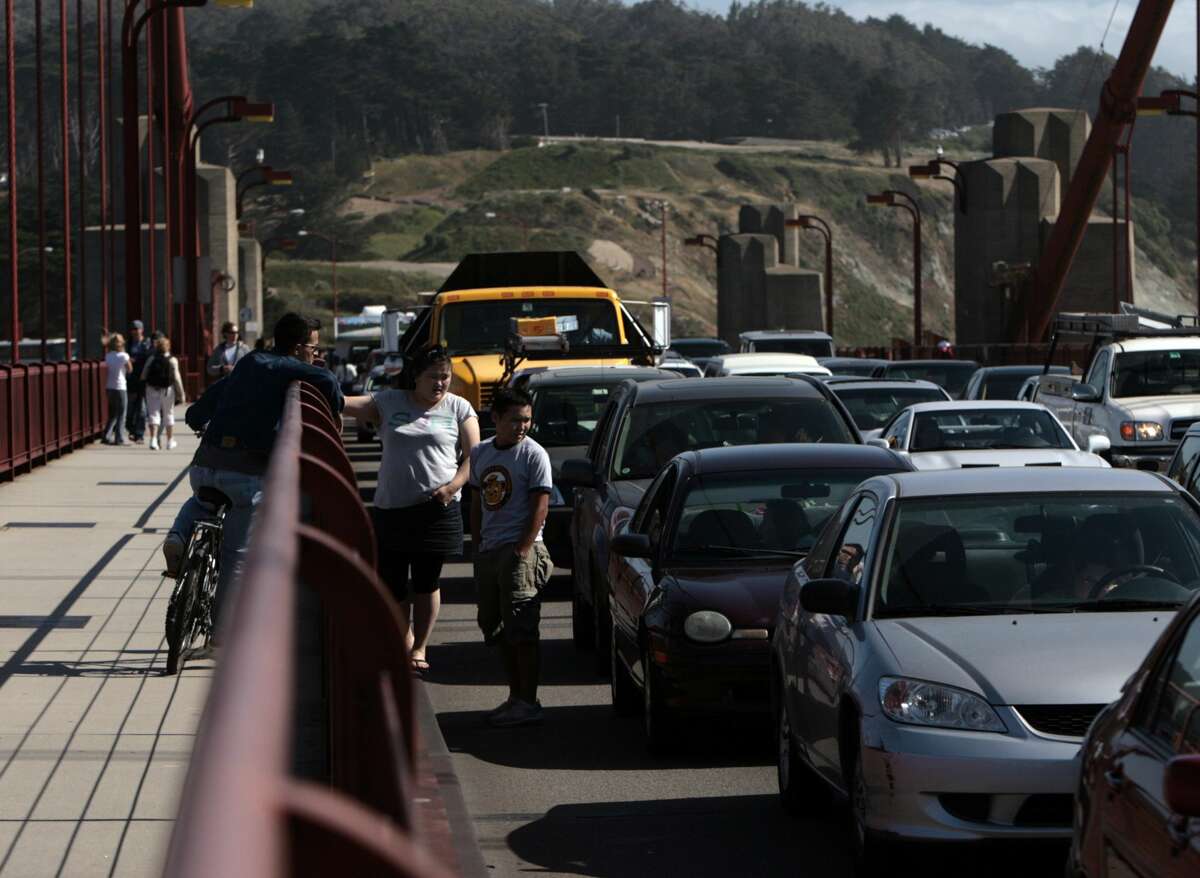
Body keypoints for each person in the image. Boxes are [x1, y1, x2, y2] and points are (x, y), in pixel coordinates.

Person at [162, 313, 343, 623]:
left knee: (201, 501)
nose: (315, 356)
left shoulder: (250, 362)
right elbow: (327, 380)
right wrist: (335, 413)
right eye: (313, 349)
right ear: (299, 348)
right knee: (236, 553)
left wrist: (195, 417)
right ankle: (221, 628)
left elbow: (213, 397)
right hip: (246, 472)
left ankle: (179, 535)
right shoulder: (288, 369)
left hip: (206, 462)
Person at [343, 345, 479, 673]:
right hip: (392, 508)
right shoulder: (389, 402)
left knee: (426, 581)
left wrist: (452, 487)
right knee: (392, 581)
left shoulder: (459, 407)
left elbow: (474, 456)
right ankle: (402, 639)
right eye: (433, 376)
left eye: (445, 377)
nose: (440, 383)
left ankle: (419, 647)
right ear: (416, 376)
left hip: (438, 507)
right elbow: (345, 404)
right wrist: (306, 380)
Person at [470, 387, 554, 727]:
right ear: (496, 419)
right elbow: (476, 502)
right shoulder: (480, 453)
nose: (522, 426)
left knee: (522, 627)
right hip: (490, 550)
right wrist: (477, 544)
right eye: (515, 420)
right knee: (493, 625)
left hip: (522, 550)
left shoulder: (534, 455)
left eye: (527, 420)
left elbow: (541, 505)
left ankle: (528, 700)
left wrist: (523, 548)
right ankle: (514, 694)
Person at [141, 335, 187, 451]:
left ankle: (153, 440)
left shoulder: (152, 358)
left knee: (153, 414)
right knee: (168, 414)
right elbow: (177, 378)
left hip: (152, 388)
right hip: (167, 390)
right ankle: (170, 441)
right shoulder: (172, 360)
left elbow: (143, 374)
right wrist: (181, 394)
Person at [103, 333, 133, 445]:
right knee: (122, 413)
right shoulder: (124, 356)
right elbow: (130, 369)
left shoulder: (108, 356)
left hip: (109, 387)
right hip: (120, 386)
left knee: (113, 413)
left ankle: (107, 435)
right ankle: (119, 438)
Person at [125, 320, 152, 444]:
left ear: (142, 330)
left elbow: (149, 358)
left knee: (141, 408)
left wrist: (137, 359)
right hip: (130, 379)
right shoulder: (128, 343)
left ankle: (139, 434)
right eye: (133, 329)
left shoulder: (147, 343)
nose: (135, 332)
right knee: (130, 407)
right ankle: (131, 429)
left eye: (137, 329)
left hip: (143, 379)